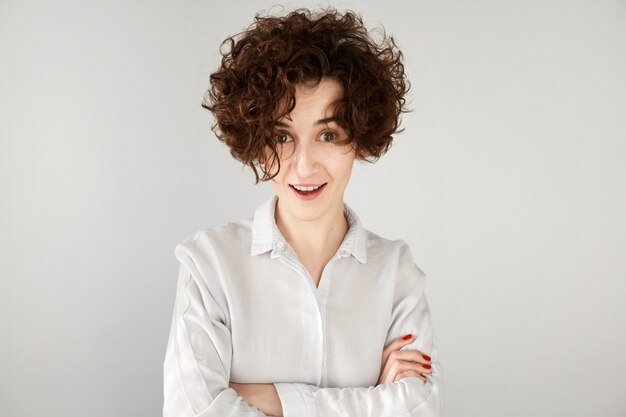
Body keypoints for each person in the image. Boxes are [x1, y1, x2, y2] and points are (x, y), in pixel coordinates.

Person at [163, 8, 443, 417]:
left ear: (360, 140)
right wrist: (376, 401)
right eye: (282, 136)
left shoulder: (396, 272)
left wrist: (270, 398)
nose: (304, 165)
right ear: (256, 140)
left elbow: (423, 409)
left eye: (328, 134)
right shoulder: (209, 265)